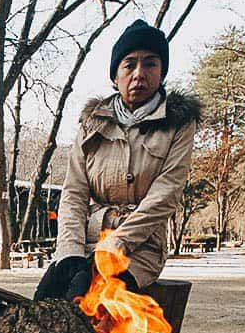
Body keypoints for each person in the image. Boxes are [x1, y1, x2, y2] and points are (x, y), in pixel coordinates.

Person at [35, 19, 200, 301]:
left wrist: (117, 244)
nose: (139, 74)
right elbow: (74, 193)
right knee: (44, 301)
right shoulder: (92, 122)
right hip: (87, 240)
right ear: (115, 75)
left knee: (89, 297)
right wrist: (69, 252)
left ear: (161, 72)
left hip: (140, 247)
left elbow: (165, 195)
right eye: (129, 64)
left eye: (150, 64)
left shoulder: (178, 124)